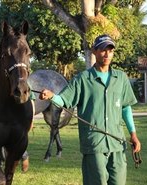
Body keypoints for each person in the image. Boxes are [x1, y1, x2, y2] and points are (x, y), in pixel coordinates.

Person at [39, 34, 141, 185]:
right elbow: (65, 100)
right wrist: (52, 96)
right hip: (94, 145)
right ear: (94, 51)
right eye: (103, 50)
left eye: (110, 50)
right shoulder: (82, 79)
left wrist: (133, 134)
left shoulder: (121, 78)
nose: (107, 54)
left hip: (117, 143)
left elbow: (126, 108)